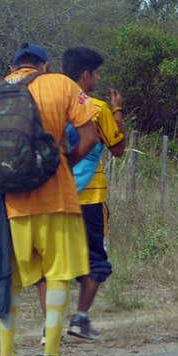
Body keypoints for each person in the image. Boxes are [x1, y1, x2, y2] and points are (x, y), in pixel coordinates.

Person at [0, 43, 99, 356]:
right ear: (45, 65)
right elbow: (90, 136)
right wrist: (63, 163)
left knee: (9, 281)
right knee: (58, 278)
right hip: (58, 200)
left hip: (10, 206)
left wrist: (6, 172)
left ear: (14, 67)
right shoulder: (62, 84)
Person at [37, 47, 126, 341]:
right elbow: (118, 149)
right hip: (89, 198)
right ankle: (81, 318)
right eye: (97, 73)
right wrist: (117, 111)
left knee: (51, 261)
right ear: (85, 74)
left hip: (53, 194)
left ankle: (50, 327)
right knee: (95, 260)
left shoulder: (50, 101)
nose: (98, 78)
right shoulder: (97, 108)